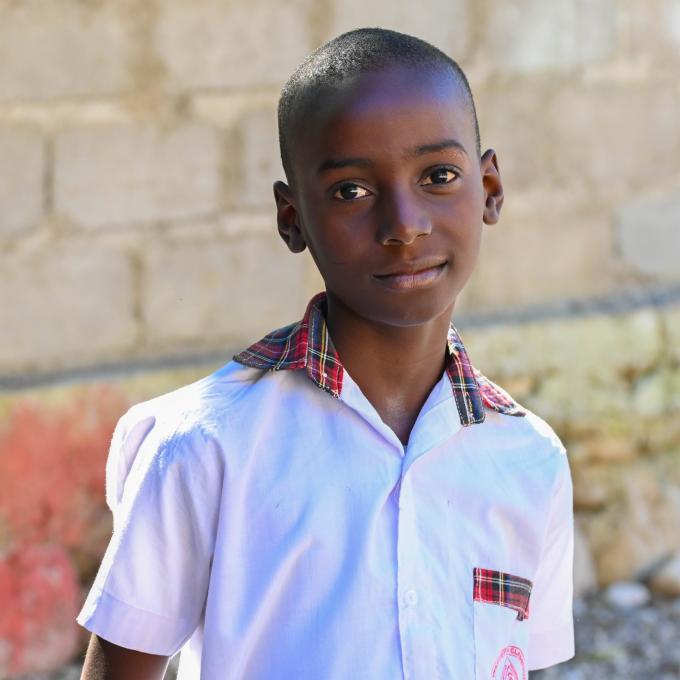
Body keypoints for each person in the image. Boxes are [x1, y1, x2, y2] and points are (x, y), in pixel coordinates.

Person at [79, 27, 574, 680]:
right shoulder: (204, 445)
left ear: (489, 188)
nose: (404, 223)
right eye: (350, 191)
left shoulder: (527, 458)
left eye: (439, 176)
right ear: (292, 218)